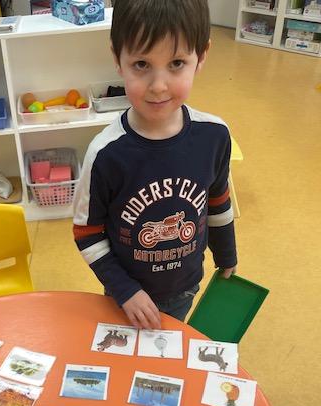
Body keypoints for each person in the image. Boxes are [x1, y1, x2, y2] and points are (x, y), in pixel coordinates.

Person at [73, 0, 237, 328]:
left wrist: (226, 255)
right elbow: (86, 232)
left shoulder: (215, 136)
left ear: (201, 56)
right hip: (126, 297)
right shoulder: (105, 153)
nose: (158, 86)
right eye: (141, 64)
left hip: (186, 286)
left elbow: (218, 203)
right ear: (117, 58)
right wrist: (124, 290)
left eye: (176, 63)